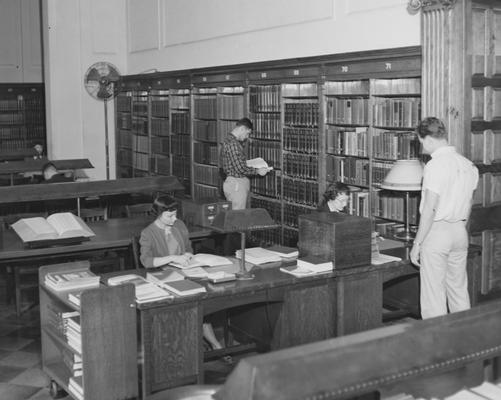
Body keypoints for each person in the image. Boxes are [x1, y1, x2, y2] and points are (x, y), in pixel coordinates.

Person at [139, 195, 232, 363]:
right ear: (158, 214)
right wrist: (172, 258)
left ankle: (208, 344)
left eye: (175, 214)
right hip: (163, 278)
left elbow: (188, 247)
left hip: (187, 272)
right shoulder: (148, 233)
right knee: (191, 303)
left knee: (205, 298)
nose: (174, 219)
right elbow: (146, 261)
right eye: (169, 216)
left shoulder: (179, 225)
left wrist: (188, 254)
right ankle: (200, 347)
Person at [410, 117, 479, 319]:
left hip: (438, 232)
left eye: (421, 142)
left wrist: (417, 243)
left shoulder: (435, 166)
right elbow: (469, 205)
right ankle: (463, 341)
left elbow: (430, 209)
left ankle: (436, 345)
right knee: (458, 290)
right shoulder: (468, 165)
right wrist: (459, 227)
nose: (421, 146)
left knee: (434, 295)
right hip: (459, 231)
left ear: (429, 139)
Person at [221, 117, 270, 210]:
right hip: (236, 184)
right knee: (238, 217)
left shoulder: (229, 140)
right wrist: (258, 171)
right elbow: (240, 169)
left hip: (235, 184)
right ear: (242, 129)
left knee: (236, 215)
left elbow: (236, 164)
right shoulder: (233, 144)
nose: (247, 137)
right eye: (247, 133)